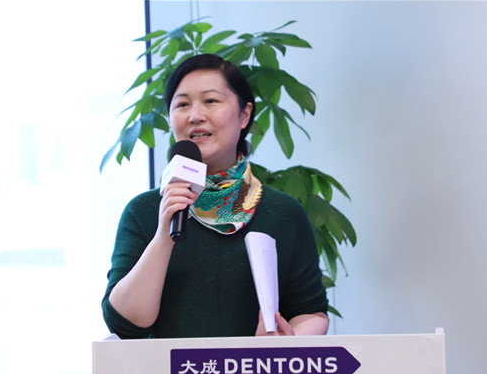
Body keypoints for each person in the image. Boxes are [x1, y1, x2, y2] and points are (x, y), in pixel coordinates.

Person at [102, 54, 328, 339]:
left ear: (244, 115)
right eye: (182, 104)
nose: (195, 115)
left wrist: (285, 345)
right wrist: (163, 237)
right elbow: (125, 324)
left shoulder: (282, 211)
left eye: (210, 101)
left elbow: (311, 313)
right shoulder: (145, 211)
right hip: (168, 369)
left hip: (257, 368)